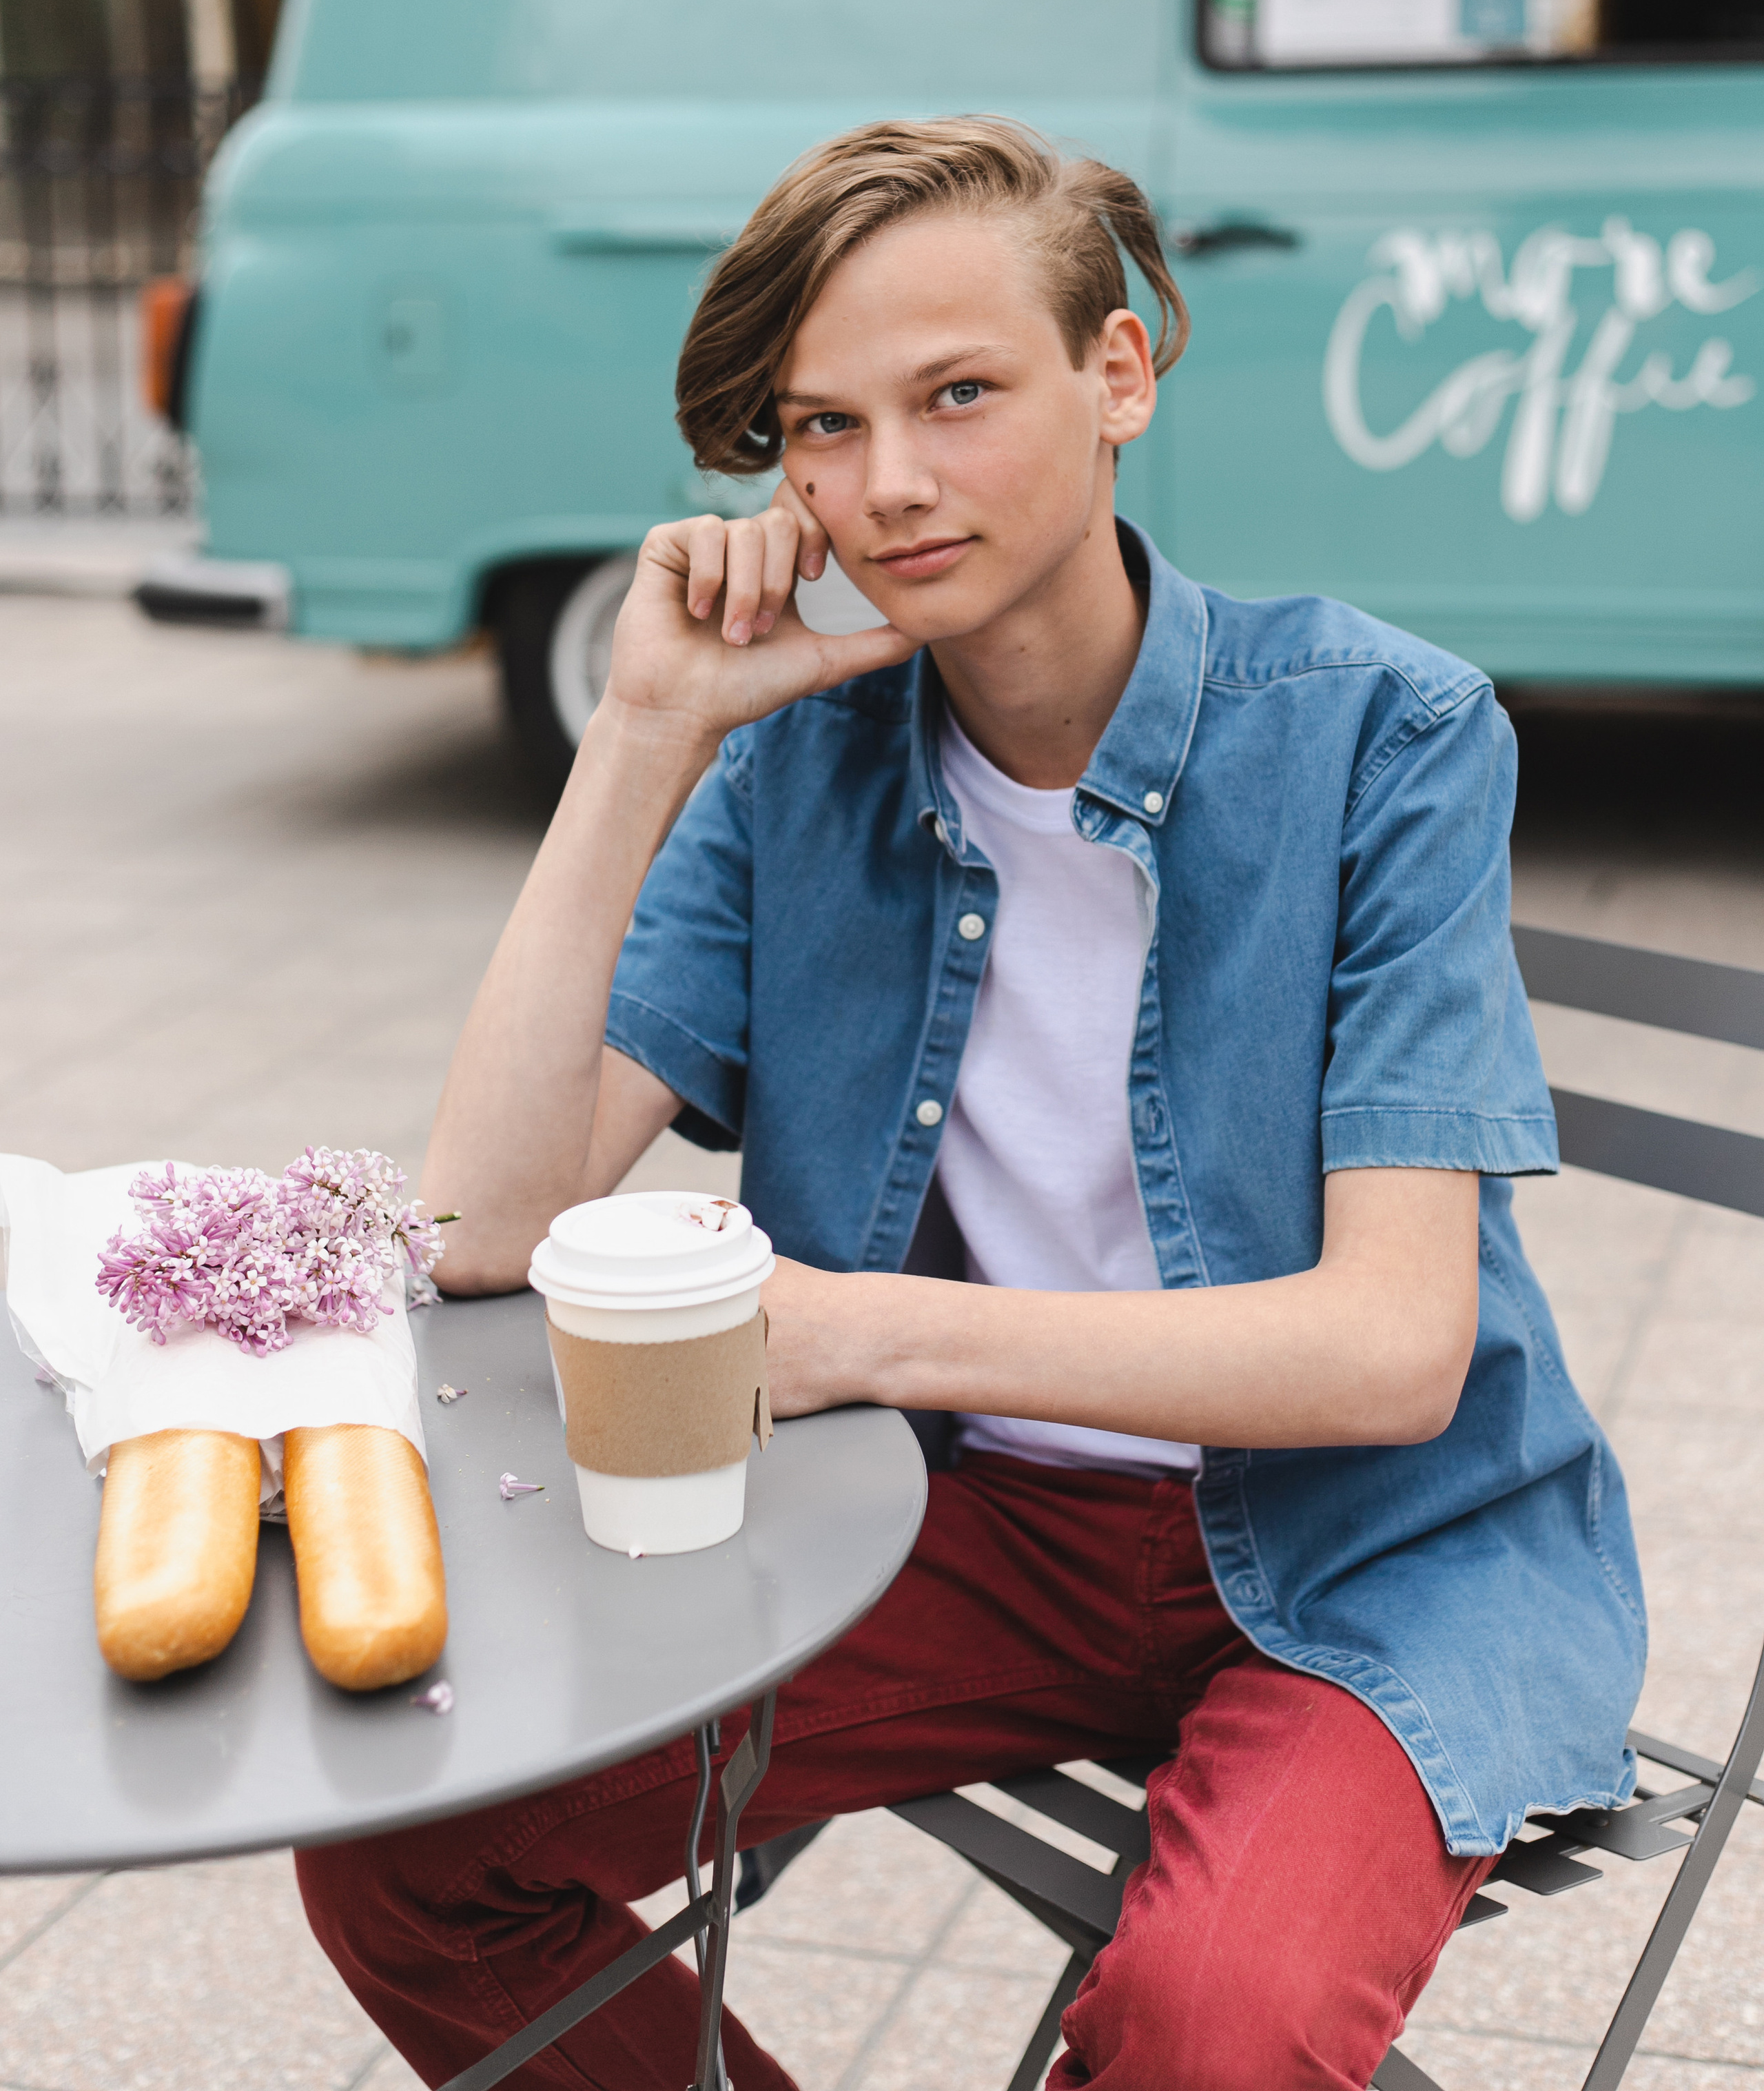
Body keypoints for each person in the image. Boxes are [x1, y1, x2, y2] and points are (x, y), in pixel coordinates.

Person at [296, 117, 1645, 2090]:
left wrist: (850, 1333)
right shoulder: (799, 768)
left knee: (1212, 2023)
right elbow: (484, 1230)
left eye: (958, 396)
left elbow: (1392, 1353)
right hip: (974, 1529)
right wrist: (650, 730)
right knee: (410, 1854)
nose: (888, 486)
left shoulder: (1385, 734)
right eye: (821, 429)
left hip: (1375, 1552)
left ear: (1119, 375)